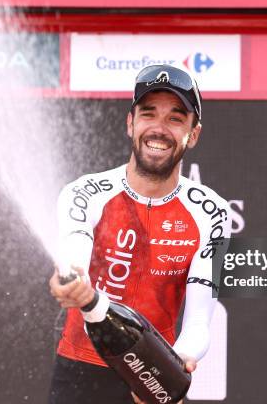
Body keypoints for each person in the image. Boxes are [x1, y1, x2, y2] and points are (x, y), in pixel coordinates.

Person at [48, 64, 231, 404]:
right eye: (149, 114)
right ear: (131, 123)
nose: (159, 129)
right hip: (78, 371)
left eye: (176, 119)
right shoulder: (86, 192)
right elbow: (75, 252)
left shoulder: (212, 212)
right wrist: (70, 279)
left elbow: (199, 319)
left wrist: (172, 365)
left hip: (151, 374)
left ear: (193, 134)